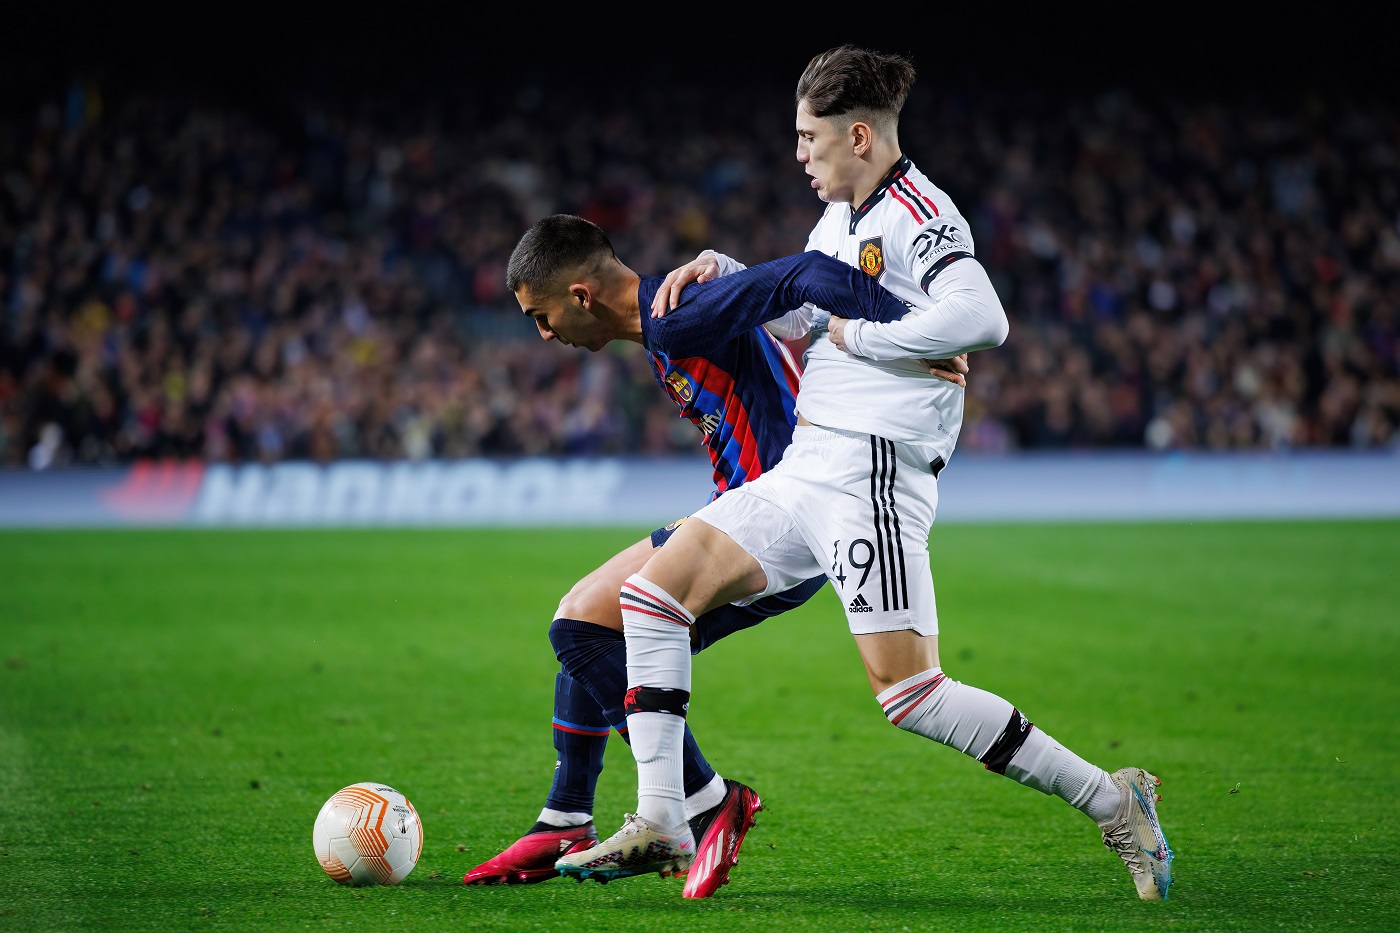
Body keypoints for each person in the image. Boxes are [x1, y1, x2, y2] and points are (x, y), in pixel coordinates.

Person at [556, 45, 1174, 902]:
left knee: (911, 692)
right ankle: (665, 814)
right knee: (652, 597)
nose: (798, 154)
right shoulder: (838, 219)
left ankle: (1113, 799)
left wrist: (869, 337)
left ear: (857, 136)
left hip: (873, 471)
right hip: (808, 464)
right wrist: (727, 272)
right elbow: (805, 314)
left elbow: (982, 316)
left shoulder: (922, 213)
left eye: (808, 138)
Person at [463, 213, 967, 897]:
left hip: (777, 525)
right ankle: (568, 816)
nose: (545, 334)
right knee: (589, 624)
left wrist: (916, 329)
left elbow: (804, 273)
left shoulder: (680, 316)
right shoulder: (666, 321)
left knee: (583, 627)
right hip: (745, 511)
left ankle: (702, 802)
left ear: (580, 295)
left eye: (541, 316)